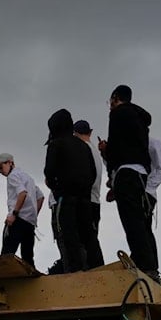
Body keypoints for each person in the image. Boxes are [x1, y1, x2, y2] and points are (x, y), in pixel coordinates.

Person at [98, 85, 158, 281]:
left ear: (115, 98)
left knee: (131, 223)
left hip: (125, 173)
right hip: (141, 174)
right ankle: (152, 267)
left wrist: (106, 152)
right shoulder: (141, 119)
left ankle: (143, 266)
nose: (110, 106)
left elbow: (115, 149)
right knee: (142, 222)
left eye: (110, 101)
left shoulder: (118, 115)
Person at [44, 108, 98, 273]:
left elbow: (49, 172)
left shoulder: (56, 144)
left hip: (65, 199)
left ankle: (74, 273)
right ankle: (96, 269)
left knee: (68, 237)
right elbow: (93, 173)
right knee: (88, 237)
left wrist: (57, 189)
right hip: (85, 200)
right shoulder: (84, 146)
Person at [0, 152, 45, 267]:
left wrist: (14, 213)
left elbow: (22, 193)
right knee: (28, 257)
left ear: (10, 163)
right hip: (29, 223)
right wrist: (33, 214)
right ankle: (31, 282)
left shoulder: (12, 176)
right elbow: (40, 197)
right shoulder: (27, 177)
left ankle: (4, 281)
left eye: (1, 167)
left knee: (7, 254)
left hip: (17, 220)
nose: (0, 171)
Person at [72, 120, 106, 258]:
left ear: (75, 133)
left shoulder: (81, 149)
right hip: (96, 200)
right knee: (92, 241)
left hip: (84, 201)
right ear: (90, 132)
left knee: (81, 244)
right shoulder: (95, 151)